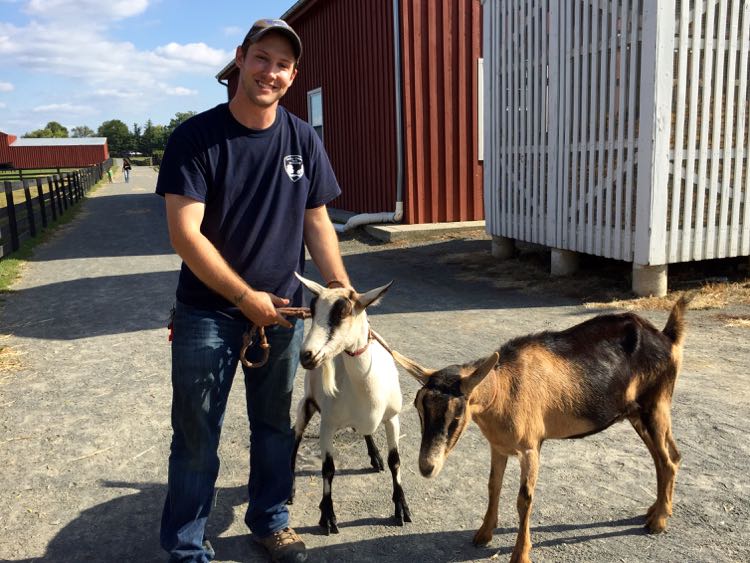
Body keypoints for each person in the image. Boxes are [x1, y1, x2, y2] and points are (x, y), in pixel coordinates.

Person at [155, 18, 350, 563]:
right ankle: (187, 547)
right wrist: (244, 299)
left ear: (293, 74)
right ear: (240, 59)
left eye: (283, 64)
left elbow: (318, 222)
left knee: (272, 425)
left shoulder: (302, 139)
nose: (271, 72)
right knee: (196, 434)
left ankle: (271, 520)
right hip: (208, 315)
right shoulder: (196, 138)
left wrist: (340, 289)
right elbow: (184, 233)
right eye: (262, 58)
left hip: (283, 311)